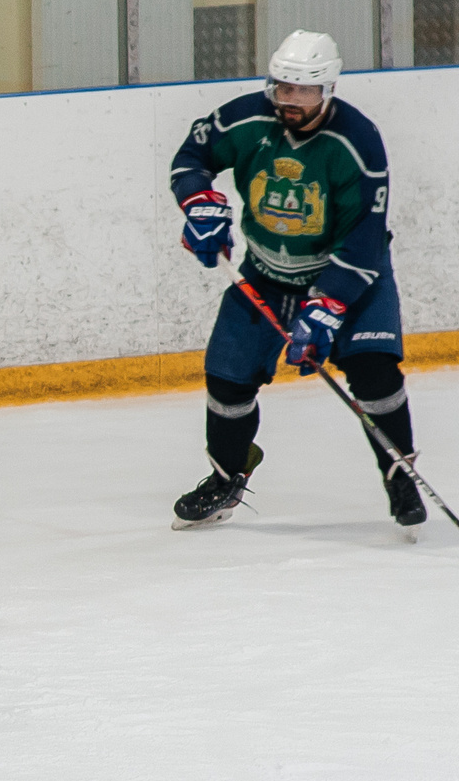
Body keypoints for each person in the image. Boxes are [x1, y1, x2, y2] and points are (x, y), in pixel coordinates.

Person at [168, 29, 420, 529]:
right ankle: (226, 478)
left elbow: (365, 239)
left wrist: (327, 307)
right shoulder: (245, 117)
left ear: (328, 90)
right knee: (226, 381)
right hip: (265, 275)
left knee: (374, 373)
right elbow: (191, 158)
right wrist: (198, 202)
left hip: (348, 274)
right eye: (283, 88)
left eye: (304, 91)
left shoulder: (358, 142)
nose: (291, 100)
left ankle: (399, 474)